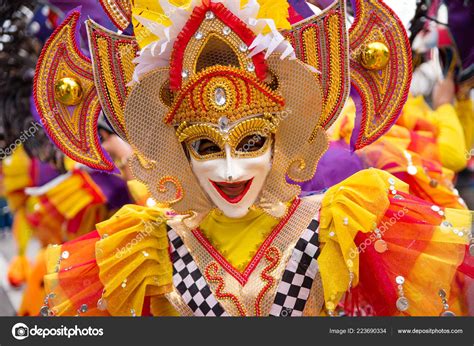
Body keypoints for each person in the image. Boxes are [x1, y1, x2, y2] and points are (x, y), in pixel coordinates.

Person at [33, 0, 473, 316]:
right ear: (176, 150)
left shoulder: (345, 223)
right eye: (205, 147)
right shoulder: (145, 250)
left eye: (250, 143)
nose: (229, 170)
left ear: (282, 136)